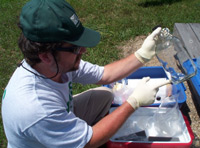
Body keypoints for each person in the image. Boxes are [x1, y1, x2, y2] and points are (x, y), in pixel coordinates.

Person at [1, 0, 170, 148]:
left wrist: (143, 54)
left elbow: (105, 75)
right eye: (75, 47)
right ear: (45, 56)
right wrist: (134, 102)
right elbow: (89, 142)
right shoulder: (35, 109)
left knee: (104, 95)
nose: (83, 50)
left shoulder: (52, 64)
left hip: (56, 118)